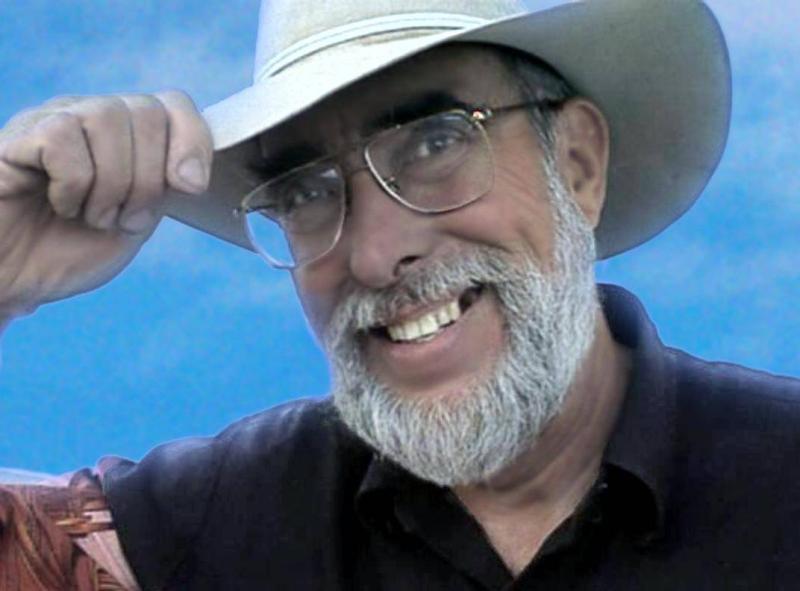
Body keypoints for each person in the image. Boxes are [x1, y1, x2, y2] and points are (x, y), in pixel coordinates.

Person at [1, 0, 799, 589]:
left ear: (579, 165)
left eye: (436, 141)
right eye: (305, 190)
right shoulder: (220, 520)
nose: (378, 254)